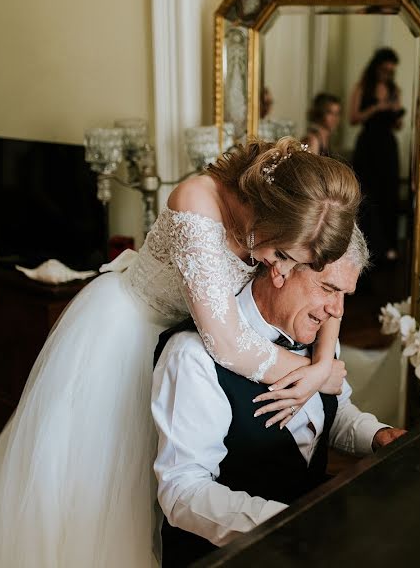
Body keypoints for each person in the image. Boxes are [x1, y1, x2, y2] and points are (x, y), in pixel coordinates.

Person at [0, 137, 361, 567]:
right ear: (269, 218)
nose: (277, 271)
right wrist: (312, 371)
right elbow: (229, 343)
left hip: (190, 339)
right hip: (126, 332)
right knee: (100, 480)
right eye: (280, 257)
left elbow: (332, 281)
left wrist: (321, 365)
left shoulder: (307, 203)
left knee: (159, 465)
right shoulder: (198, 201)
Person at [151, 226, 406, 566]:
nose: (337, 311)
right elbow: (182, 493)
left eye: (345, 294)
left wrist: (375, 434)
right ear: (280, 269)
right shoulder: (193, 356)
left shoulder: (317, 335)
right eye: (328, 288)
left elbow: (333, 412)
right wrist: (288, 525)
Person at [349, 47, 404, 264]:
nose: (387, 74)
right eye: (384, 70)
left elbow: (398, 125)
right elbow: (353, 118)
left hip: (388, 145)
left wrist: (394, 112)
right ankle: (366, 246)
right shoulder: (363, 88)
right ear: (376, 68)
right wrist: (376, 108)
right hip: (369, 144)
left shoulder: (394, 90)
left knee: (388, 194)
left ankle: (388, 247)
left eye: (391, 71)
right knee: (366, 193)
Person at [302, 92, 341, 157]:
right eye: (330, 113)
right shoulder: (313, 140)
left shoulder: (327, 138)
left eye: (337, 113)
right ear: (320, 113)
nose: (335, 118)